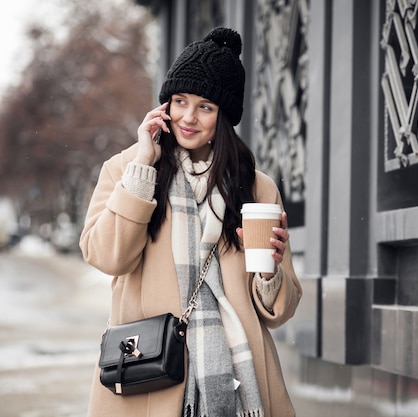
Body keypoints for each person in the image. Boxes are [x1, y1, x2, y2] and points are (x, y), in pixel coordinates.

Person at [80, 27, 302, 417]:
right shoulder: (128, 168)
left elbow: (279, 311)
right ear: (165, 103)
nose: (188, 117)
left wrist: (270, 272)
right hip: (149, 372)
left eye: (205, 106)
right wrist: (142, 168)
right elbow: (106, 256)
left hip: (238, 374)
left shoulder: (254, 186)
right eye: (179, 101)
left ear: (224, 115)